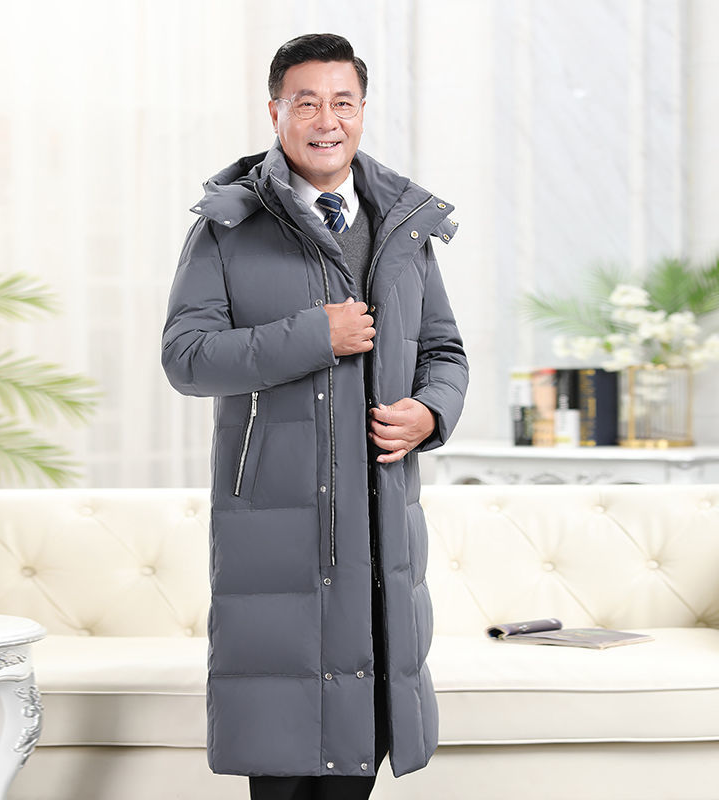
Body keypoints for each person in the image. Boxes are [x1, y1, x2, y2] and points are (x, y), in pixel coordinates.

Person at [162, 33, 468, 800]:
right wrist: (314, 337)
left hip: (380, 534)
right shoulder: (227, 227)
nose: (326, 121)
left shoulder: (403, 227)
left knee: (356, 765)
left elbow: (444, 351)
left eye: (343, 102)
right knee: (282, 759)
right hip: (276, 535)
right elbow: (187, 358)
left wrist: (430, 412)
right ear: (275, 113)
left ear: (362, 110)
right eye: (306, 103)